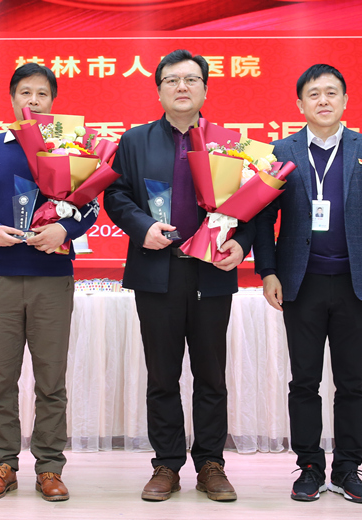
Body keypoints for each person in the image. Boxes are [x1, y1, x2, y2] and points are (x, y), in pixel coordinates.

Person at [104, 49, 252, 502]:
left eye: (190, 79)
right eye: (171, 80)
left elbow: (255, 205)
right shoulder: (135, 141)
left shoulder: (230, 142)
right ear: (159, 90)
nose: (181, 87)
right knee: (162, 375)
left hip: (211, 273)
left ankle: (210, 464)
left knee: (211, 375)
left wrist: (242, 245)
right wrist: (141, 227)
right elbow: (115, 195)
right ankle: (166, 463)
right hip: (156, 272)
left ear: (205, 88)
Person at [253, 64, 362, 504]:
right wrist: (268, 271)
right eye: (314, 93)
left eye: (331, 92)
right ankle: (310, 467)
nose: (323, 100)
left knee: (351, 383)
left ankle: (348, 468)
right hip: (301, 284)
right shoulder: (281, 150)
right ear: (300, 103)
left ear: (345, 100)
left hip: (356, 283)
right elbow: (263, 217)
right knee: (304, 382)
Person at [0, 63, 98, 502]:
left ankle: (50, 467)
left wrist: (64, 230)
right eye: (25, 93)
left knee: (51, 380)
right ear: (12, 99)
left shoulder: (71, 148)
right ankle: (2, 465)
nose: (33, 100)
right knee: (1, 378)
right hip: (0, 275)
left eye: (41, 94)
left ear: (53, 101)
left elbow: (91, 205)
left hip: (52, 279)